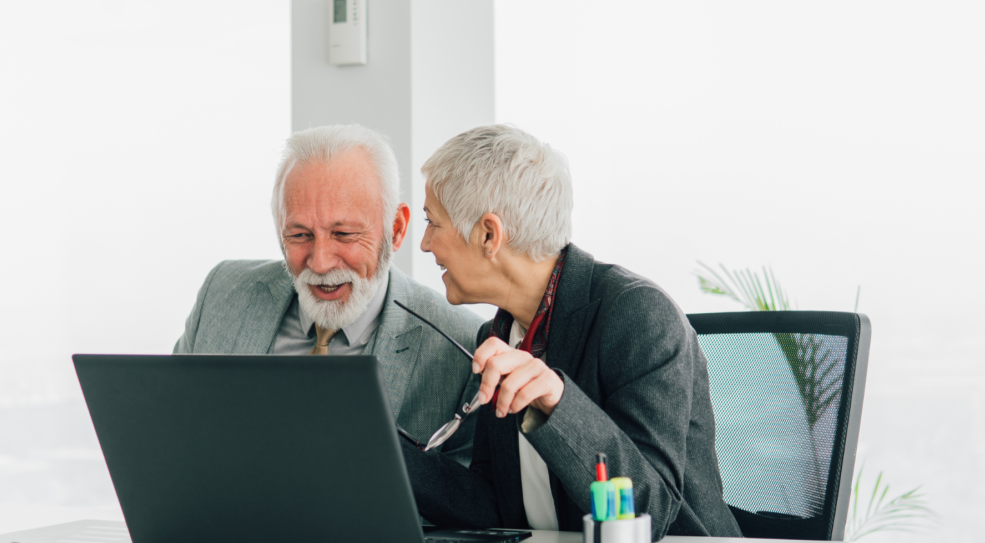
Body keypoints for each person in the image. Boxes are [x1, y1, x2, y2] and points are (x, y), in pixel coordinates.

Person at [401, 124, 743, 540]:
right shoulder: (498, 335)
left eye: (432, 223)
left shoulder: (639, 315)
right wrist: (387, 453)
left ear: (489, 234)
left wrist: (557, 402)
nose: (423, 244)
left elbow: (649, 510)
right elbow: (498, 503)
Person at [174, 124, 484, 464]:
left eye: (344, 233)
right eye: (300, 235)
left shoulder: (464, 348)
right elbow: (172, 436)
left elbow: (467, 505)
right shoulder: (223, 291)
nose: (320, 263)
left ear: (395, 230)